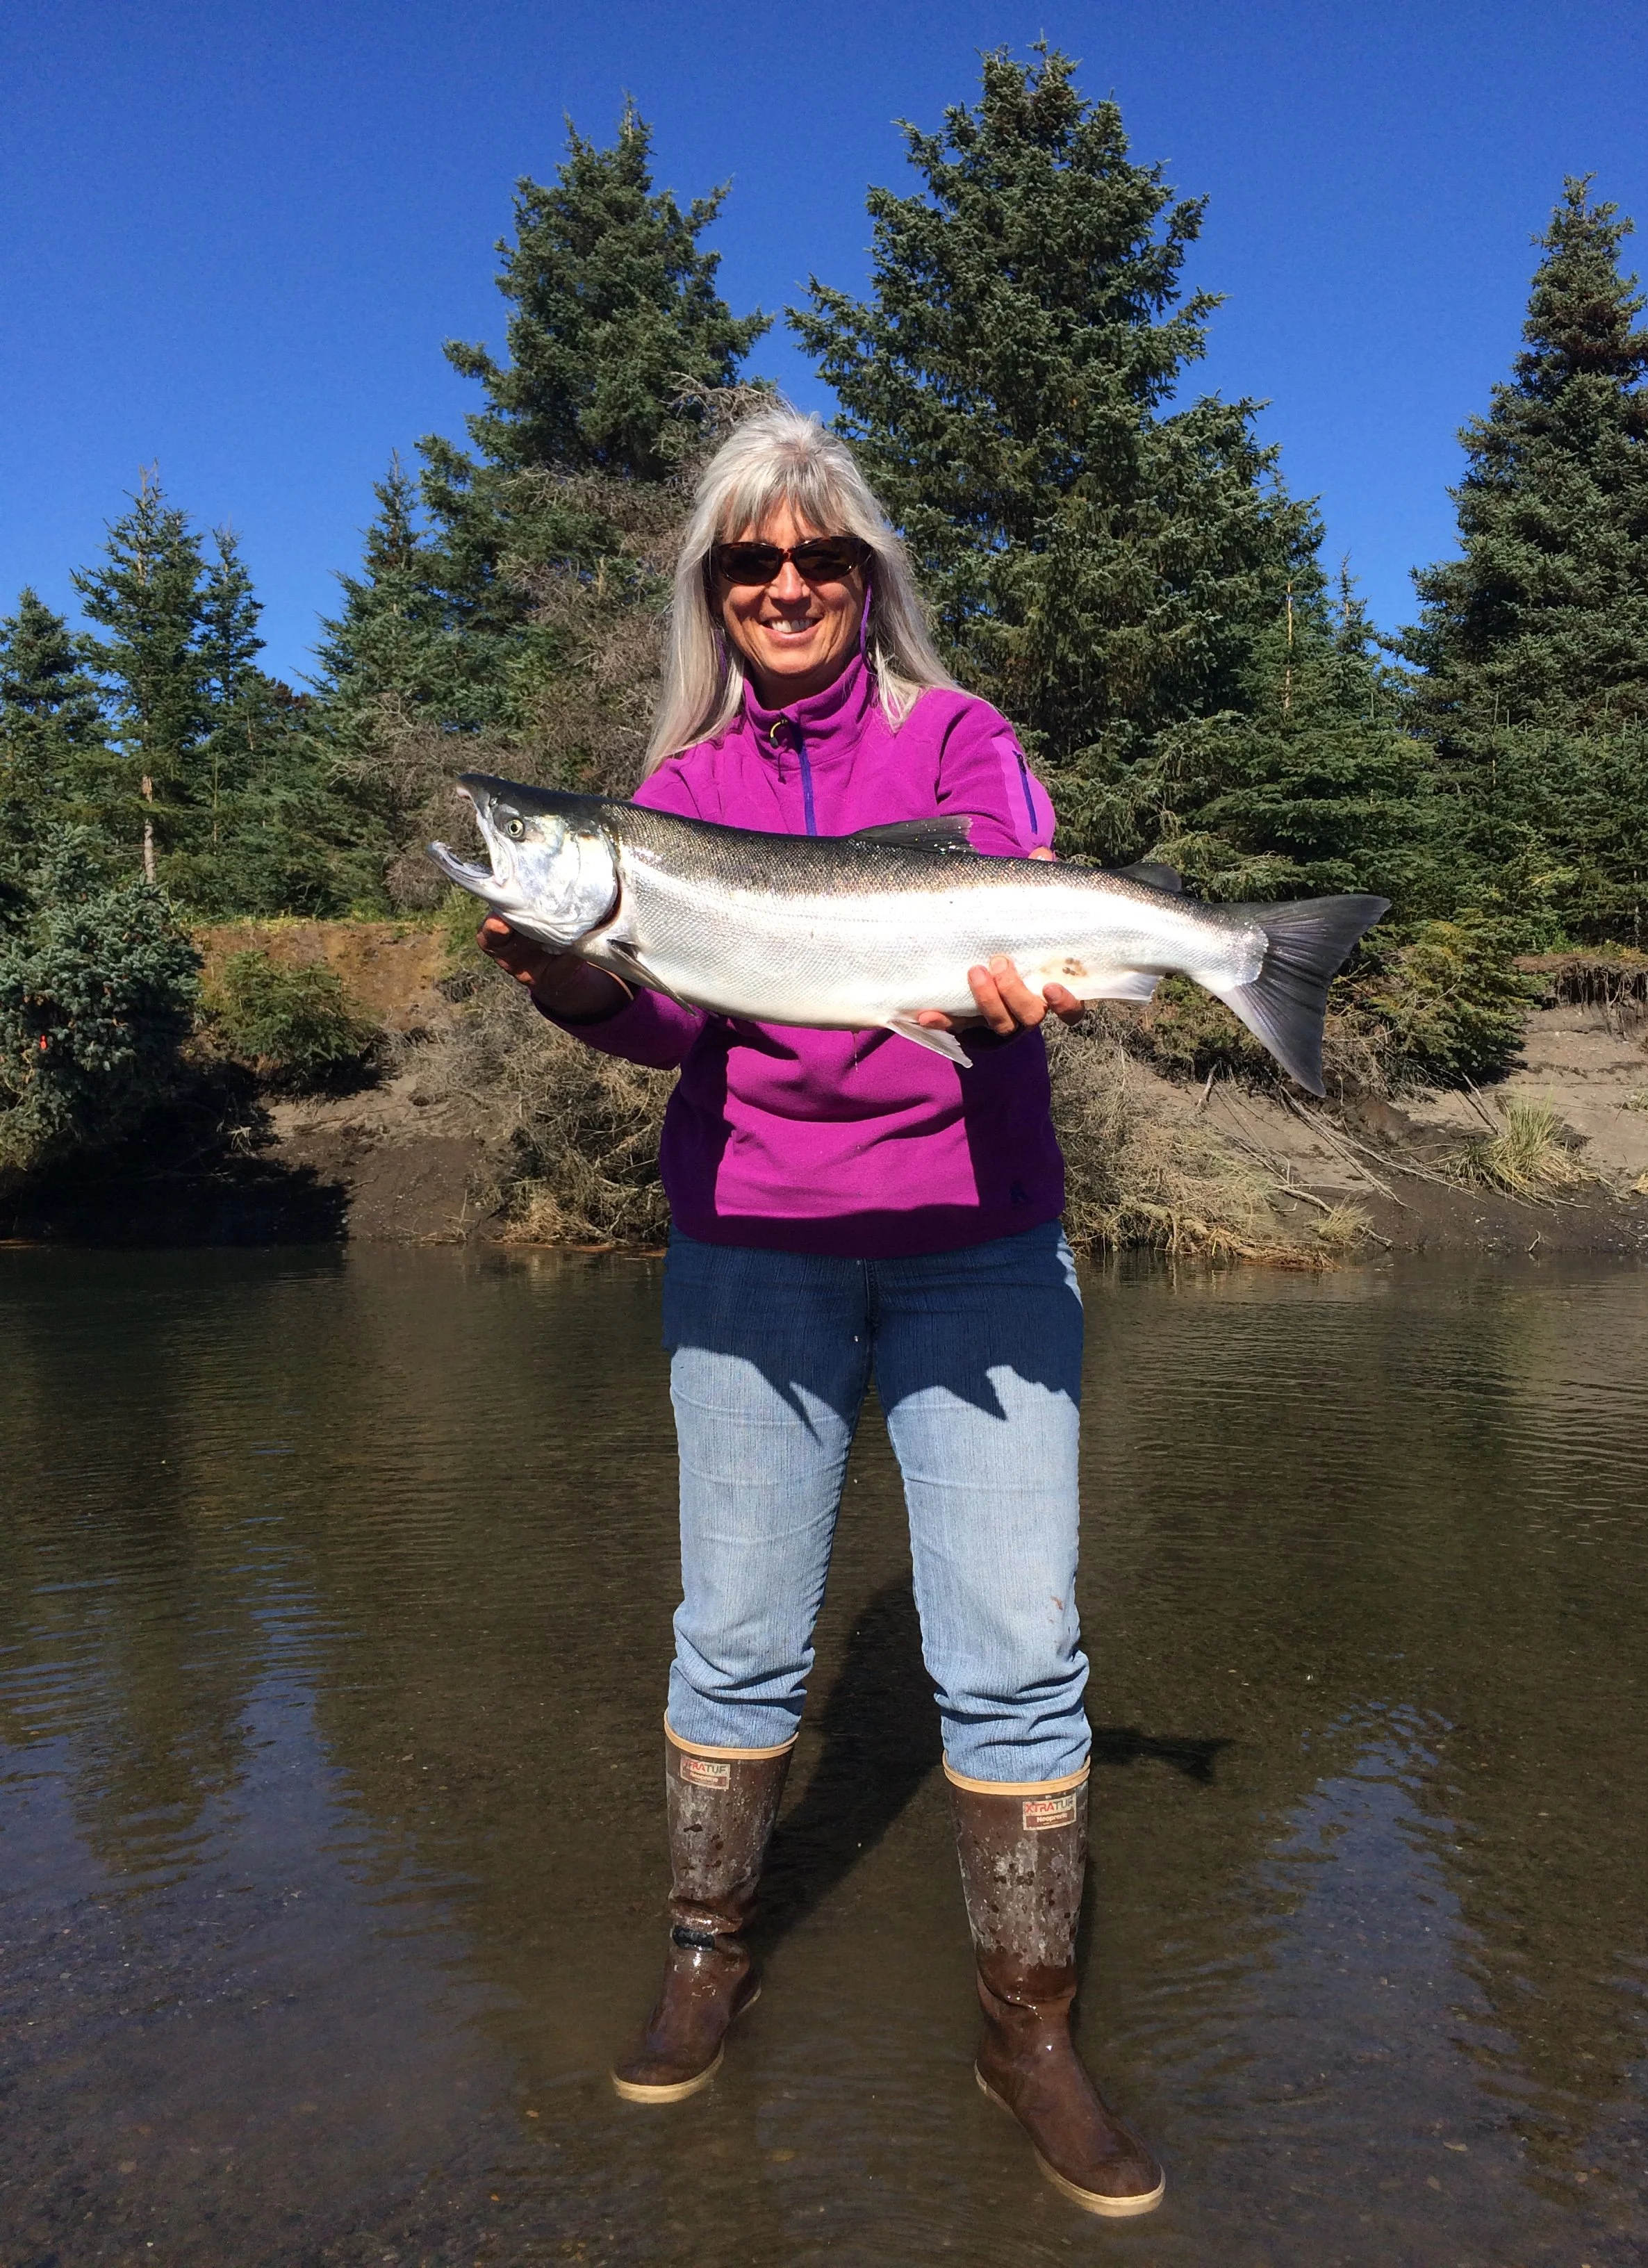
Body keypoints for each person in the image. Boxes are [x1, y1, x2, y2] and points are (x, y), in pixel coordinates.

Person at [477, 406, 1164, 2218]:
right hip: (755, 1248)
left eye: (819, 555)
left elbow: (1016, 901)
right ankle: (709, 1953)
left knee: (1015, 1654)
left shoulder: (963, 740)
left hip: (978, 1244)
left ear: (867, 573)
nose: (786, 584)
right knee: (736, 1641)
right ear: (713, 588)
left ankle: (1028, 2029)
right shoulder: (676, 793)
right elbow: (661, 1023)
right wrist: (564, 977)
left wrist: (1025, 980)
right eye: (750, 561)